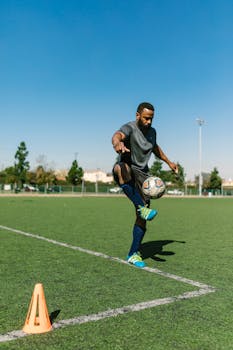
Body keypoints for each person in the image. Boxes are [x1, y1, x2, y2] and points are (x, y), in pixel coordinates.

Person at [112, 102, 178, 268]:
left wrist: (169, 162)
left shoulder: (152, 132)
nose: (149, 122)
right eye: (146, 118)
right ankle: (142, 206)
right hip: (128, 168)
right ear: (138, 115)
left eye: (151, 119)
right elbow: (117, 135)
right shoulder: (130, 127)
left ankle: (133, 254)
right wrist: (117, 144)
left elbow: (155, 147)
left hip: (143, 175)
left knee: (141, 219)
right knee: (120, 168)